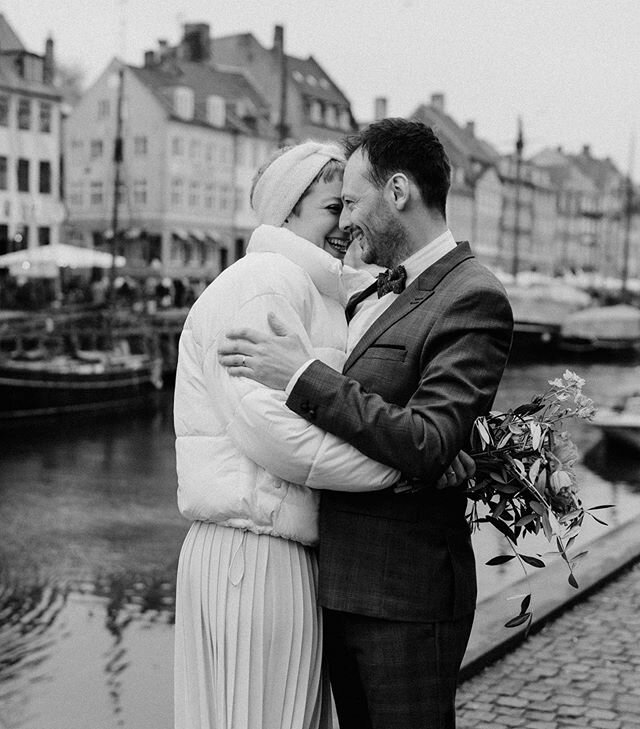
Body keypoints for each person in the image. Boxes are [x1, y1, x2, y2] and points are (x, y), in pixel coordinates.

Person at [218, 118, 515, 729]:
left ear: (398, 193)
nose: (346, 218)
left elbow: (430, 440)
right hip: (338, 587)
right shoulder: (370, 292)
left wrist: (302, 376)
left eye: (353, 200)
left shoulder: (472, 296)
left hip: (406, 599)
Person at [174, 140, 425, 729]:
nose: (347, 223)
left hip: (269, 545)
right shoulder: (266, 280)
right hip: (253, 549)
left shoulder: (310, 288)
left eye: (350, 206)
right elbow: (273, 434)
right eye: (331, 208)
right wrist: (396, 466)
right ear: (287, 210)